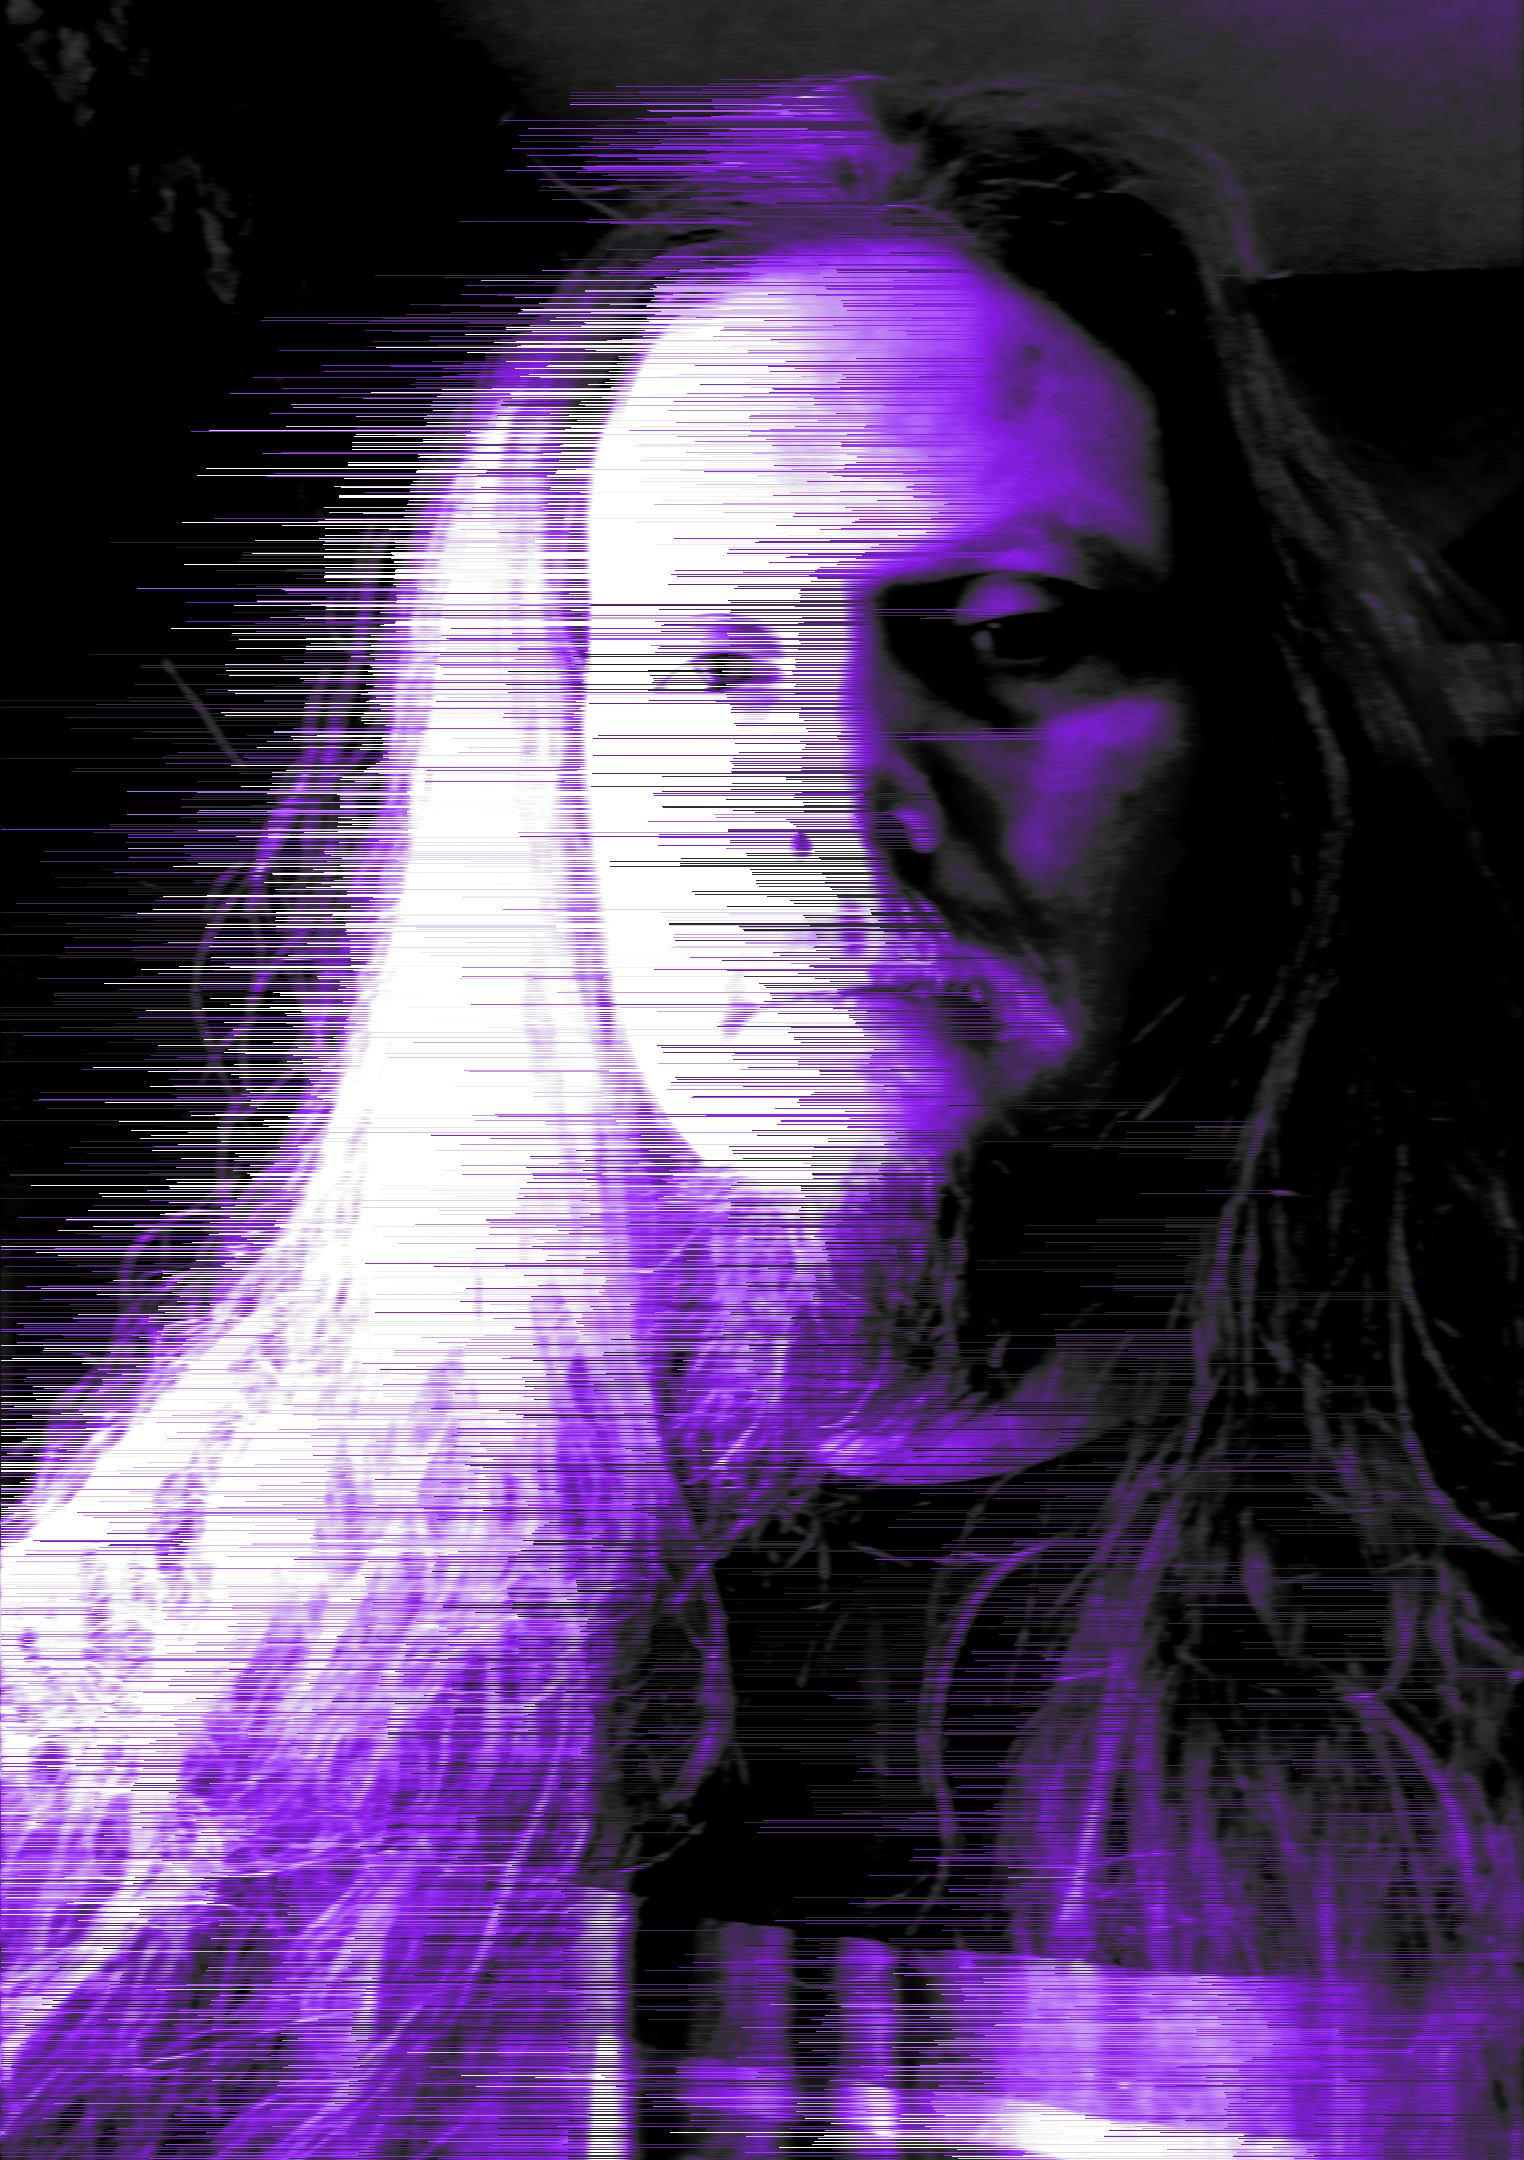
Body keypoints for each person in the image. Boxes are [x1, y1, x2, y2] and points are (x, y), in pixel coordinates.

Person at [4, 74, 1520, 2159]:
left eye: (1005, 640)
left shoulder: (1476, 1616)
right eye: (697, 663)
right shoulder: (150, 1670)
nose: (827, 805)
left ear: (1261, 770)